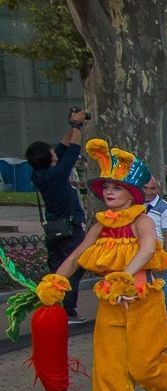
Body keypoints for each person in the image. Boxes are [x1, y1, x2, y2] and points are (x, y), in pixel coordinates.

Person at [51, 140, 167, 391]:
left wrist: (124, 276)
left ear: (130, 192)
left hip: (142, 298)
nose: (109, 192)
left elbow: (148, 249)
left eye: (116, 187)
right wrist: (54, 282)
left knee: (145, 366)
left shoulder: (142, 220)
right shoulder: (100, 226)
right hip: (110, 302)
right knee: (109, 367)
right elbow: (78, 254)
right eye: (106, 186)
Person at [27, 108, 92, 322]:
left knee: (57, 268)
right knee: (74, 267)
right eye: (51, 151)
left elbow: (63, 148)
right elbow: (73, 150)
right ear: (48, 158)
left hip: (55, 229)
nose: (55, 152)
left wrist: (71, 124)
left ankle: (54, 304)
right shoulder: (56, 174)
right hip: (69, 228)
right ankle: (68, 310)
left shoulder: (40, 174)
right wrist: (77, 126)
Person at [143, 176, 167, 339]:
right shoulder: (135, 205)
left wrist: (163, 260)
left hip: (161, 256)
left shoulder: (165, 208)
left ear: (158, 189)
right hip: (142, 257)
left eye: (153, 189)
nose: (149, 192)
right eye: (145, 188)